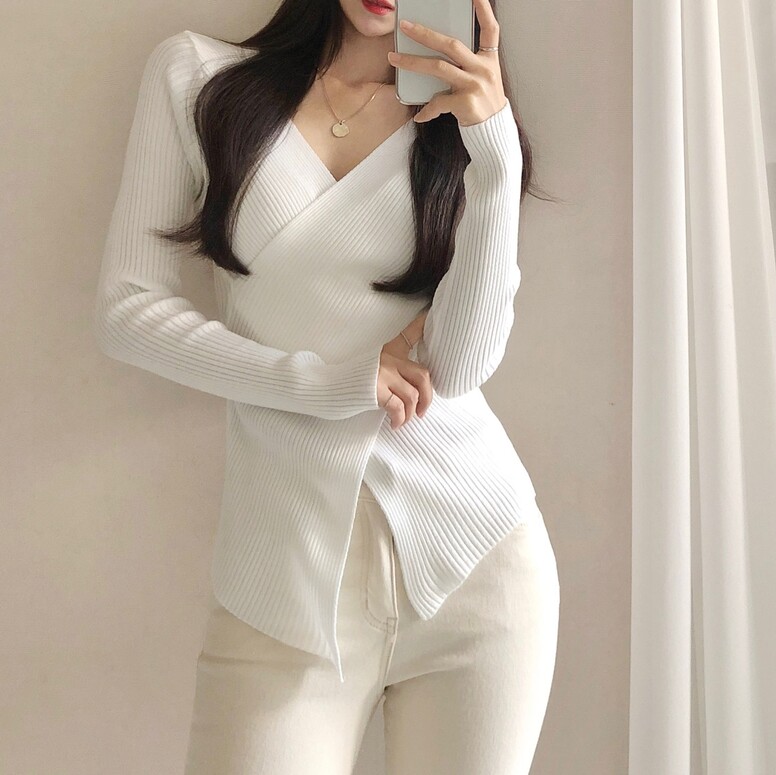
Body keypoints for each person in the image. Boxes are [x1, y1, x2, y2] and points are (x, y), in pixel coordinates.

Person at [92, 0, 560, 772]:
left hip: (478, 570)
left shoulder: (458, 130)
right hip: (280, 585)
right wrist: (327, 383)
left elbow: (462, 364)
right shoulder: (199, 78)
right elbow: (127, 312)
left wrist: (495, 148)